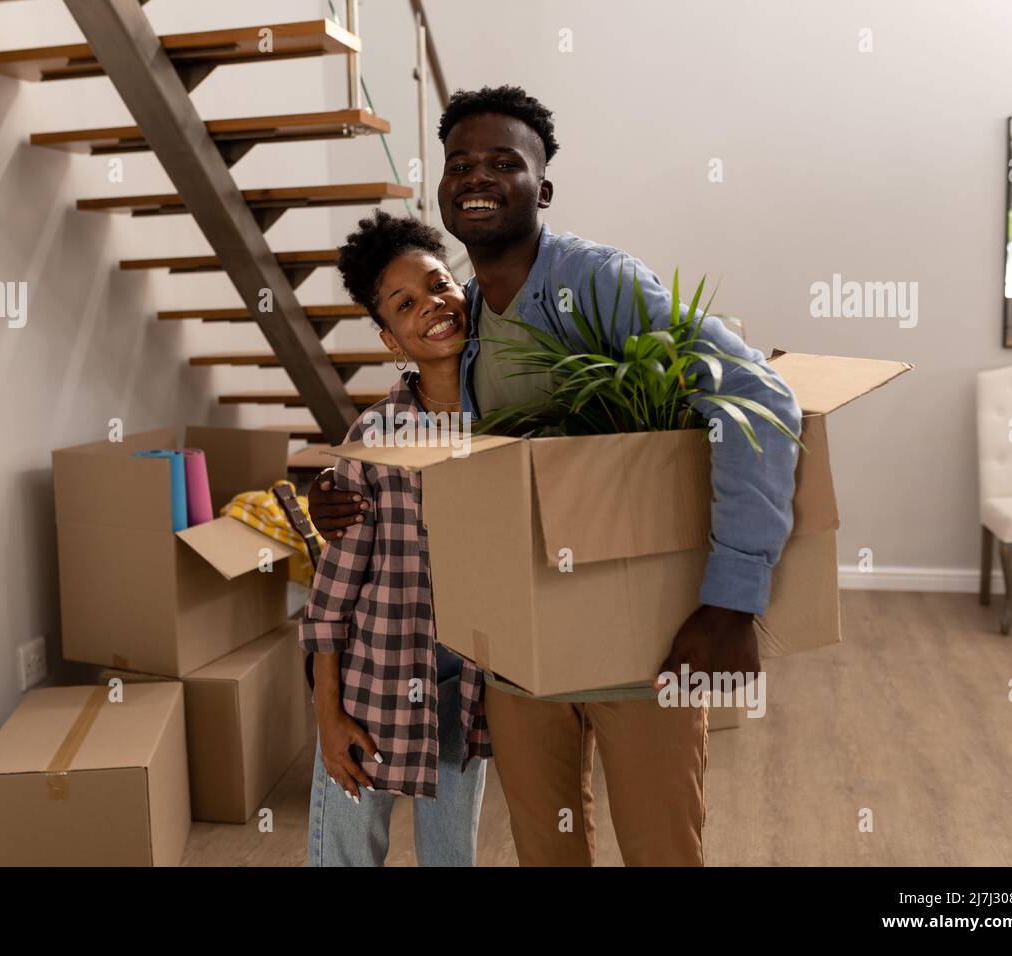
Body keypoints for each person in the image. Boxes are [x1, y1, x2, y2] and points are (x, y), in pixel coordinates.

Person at [309, 86, 803, 866]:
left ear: (541, 188)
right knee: (547, 851)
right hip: (517, 658)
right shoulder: (464, 316)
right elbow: (433, 442)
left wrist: (731, 601)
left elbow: (757, 394)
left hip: (641, 649)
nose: (477, 177)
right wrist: (338, 489)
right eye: (460, 163)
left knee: (660, 850)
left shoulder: (596, 283)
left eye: (504, 162)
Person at [300, 211, 490, 867]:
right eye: (406, 304)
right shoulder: (376, 439)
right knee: (347, 853)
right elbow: (329, 603)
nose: (432, 307)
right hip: (372, 680)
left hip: (467, 687)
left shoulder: (508, 419)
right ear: (391, 337)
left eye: (440, 285)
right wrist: (329, 717)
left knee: (451, 857)